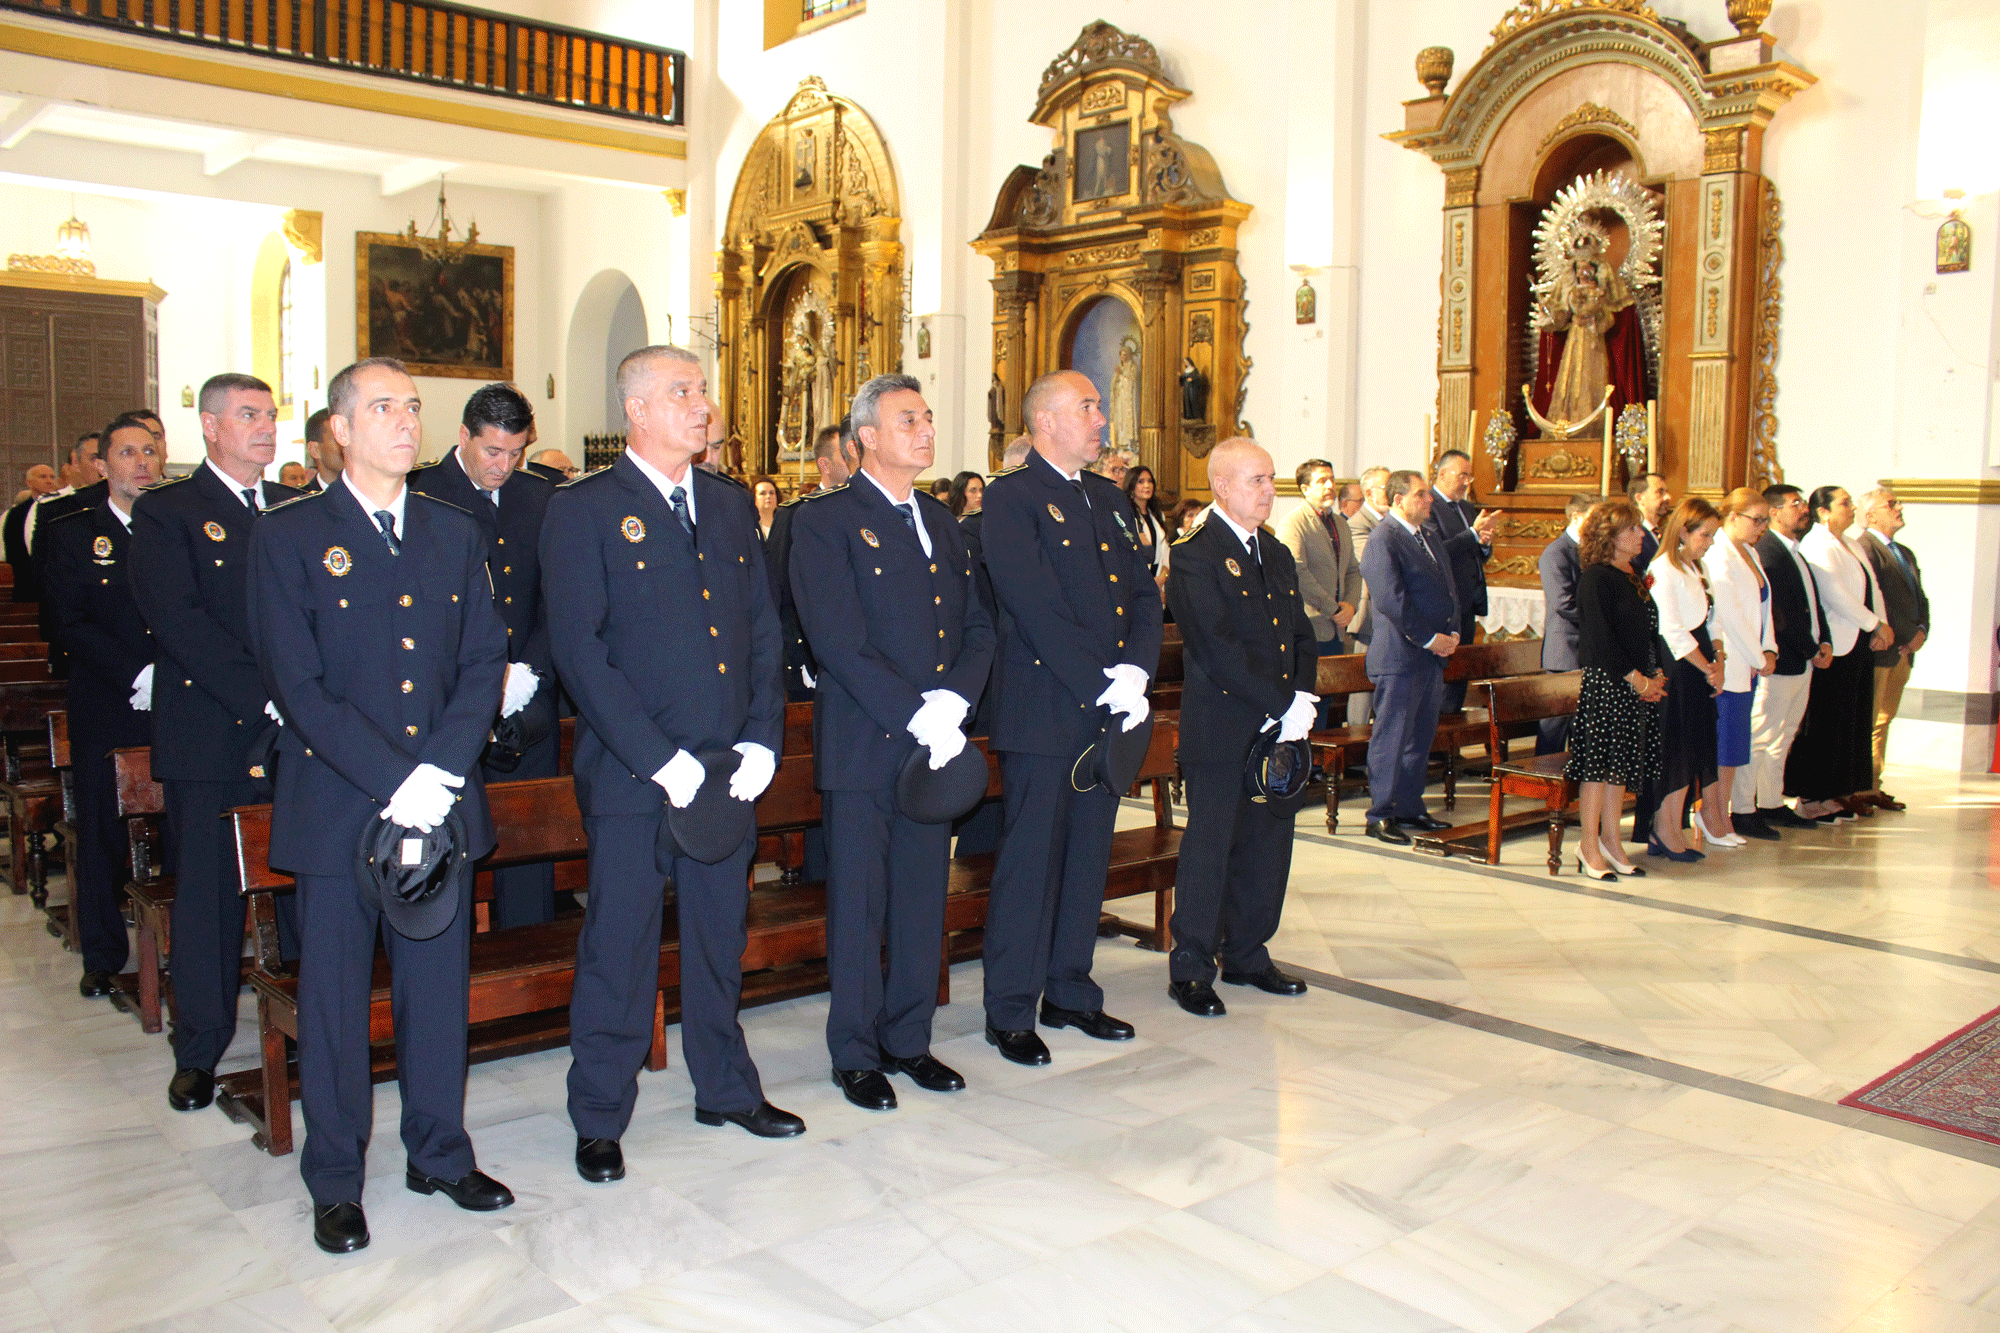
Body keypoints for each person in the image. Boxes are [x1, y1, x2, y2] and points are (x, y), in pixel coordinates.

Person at [250, 356, 515, 1255]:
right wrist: (392, 777)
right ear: (340, 428)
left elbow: (485, 659)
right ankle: (334, 1177)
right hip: (339, 810)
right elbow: (300, 680)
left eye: (412, 406)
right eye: (383, 408)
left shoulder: (453, 529)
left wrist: (438, 771)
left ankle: (438, 1149)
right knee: (331, 1004)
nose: (405, 421)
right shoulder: (289, 536)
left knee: (437, 994)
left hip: (438, 803)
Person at [543, 344, 802, 1179]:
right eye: (682, 392)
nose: (703, 405)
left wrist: (764, 734)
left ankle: (724, 1085)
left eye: (702, 390)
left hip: (725, 767)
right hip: (632, 774)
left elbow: (763, 626)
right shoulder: (585, 508)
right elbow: (581, 652)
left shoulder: (726, 505)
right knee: (618, 943)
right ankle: (600, 1113)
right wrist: (660, 759)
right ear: (638, 411)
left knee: (720, 935)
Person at [790, 374, 994, 1109]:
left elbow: (977, 626)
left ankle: (909, 1038)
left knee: (919, 898)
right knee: (861, 904)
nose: (926, 428)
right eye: (909, 418)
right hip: (868, 742)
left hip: (934, 741)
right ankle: (855, 1050)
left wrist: (956, 701)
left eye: (929, 416)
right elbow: (838, 640)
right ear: (866, 437)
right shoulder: (826, 521)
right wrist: (918, 713)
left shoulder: (940, 520)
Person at [129, 373, 306, 1115]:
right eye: (247, 415)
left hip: (294, 734)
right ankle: (199, 1049)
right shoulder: (171, 512)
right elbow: (180, 622)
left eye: (270, 415)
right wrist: (267, 694)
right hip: (211, 735)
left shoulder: (296, 511)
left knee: (302, 884)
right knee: (209, 900)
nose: (264, 427)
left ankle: (304, 1028)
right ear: (208, 426)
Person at [979, 369, 1160, 1065]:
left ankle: (1071, 987)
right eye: (1087, 406)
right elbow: (1032, 605)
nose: (1101, 417)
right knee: (1031, 862)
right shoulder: (1013, 499)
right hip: (1047, 707)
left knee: (1087, 856)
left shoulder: (1110, 500)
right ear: (1046, 421)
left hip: (1109, 707)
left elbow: (1143, 593)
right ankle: (1012, 1006)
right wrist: (1099, 682)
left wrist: (1137, 672)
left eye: (1099, 405)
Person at [1162, 437, 1317, 1017]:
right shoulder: (1197, 552)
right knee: (1212, 845)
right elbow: (1217, 647)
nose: (1269, 491)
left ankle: (1249, 953)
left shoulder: (1273, 552)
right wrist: (1282, 702)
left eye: (1272, 479)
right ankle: (1193, 967)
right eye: (1257, 480)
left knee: (1267, 842)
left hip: (1279, 724)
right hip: (1226, 726)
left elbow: (1300, 632)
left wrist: (1301, 696)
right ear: (1223, 486)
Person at [407, 382, 558, 929]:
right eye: (493, 451)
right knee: (456, 841)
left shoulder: (538, 495)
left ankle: (528, 959)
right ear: (464, 436)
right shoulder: (421, 495)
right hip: (455, 700)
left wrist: (529, 670)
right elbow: (419, 614)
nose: (504, 465)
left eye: (516, 452)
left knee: (530, 841)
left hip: (530, 698)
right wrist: (490, 678)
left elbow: (556, 597)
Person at [43, 417, 161, 998]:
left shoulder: (173, 525)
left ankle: (178, 949)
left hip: (175, 699)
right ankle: (103, 953)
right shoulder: (71, 532)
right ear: (103, 464)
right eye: (126, 453)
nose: (140, 462)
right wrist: (136, 672)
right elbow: (69, 623)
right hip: (107, 701)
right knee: (101, 832)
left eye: (149, 451)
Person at [1357, 469, 1459, 845]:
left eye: (1428, 495)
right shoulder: (1383, 539)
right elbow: (1390, 599)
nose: (1429, 500)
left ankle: (1410, 806)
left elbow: (1450, 589)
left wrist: (1453, 631)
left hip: (1430, 656)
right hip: (1400, 656)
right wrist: (1430, 637)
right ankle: (1380, 813)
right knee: (1392, 736)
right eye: (1420, 495)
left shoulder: (1428, 536)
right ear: (1398, 500)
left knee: (1419, 736)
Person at [1567, 500, 1666, 879]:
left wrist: (1653, 677)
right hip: (1609, 683)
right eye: (1631, 530)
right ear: (1608, 536)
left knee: (1620, 767)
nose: (1641, 534)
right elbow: (1600, 640)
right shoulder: (1596, 577)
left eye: (1639, 528)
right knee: (1598, 767)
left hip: (1635, 683)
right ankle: (1588, 843)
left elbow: (1646, 631)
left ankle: (1612, 840)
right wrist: (1638, 678)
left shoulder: (1632, 572)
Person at [1789, 486, 1890, 821]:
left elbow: (1872, 586)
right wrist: (1873, 623)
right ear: (1823, 512)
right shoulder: (1817, 543)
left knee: (1852, 722)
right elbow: (1835, 594)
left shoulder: (1849, 543)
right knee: (1826, 722)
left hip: (1857, 640)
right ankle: (1811, 794)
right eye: (1844, 503)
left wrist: (1882, 625)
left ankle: (1837, 791)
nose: (1851, 507)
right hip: (1835, 642)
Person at [1646, 497, 1729, 858]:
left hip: (1701, 666)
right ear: (1684, 531)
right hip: (1679, 668)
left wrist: (1720, 658)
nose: (1709, 543)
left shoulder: (1698, 569)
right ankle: (1663, 829)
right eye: (1705, 535)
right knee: (1675, 749)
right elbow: (1672, 629)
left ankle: (1673, 826)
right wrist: (1706, 666)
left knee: (1695, 746)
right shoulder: (1662, 569)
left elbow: (1714, 619)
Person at [1750, 485, 1831, 830]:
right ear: (1774, 512)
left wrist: (1824, 639)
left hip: (1803, 659)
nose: (1804, 509)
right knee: (1763, 736)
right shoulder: (1769, 551)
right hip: (1782, 659)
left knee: (1785, 735)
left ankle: (1771, 800)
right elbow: (1780, 614)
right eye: (1795, 503)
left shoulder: (1795, 551)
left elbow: (1812, 605)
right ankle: (1745, 806)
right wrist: (1811, 648)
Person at [765, 422, 859, 700]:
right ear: (825, 464)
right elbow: (780, 593)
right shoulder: (796, 514)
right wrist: (801, 655)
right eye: (845, 454)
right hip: (810, 657)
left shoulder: (863, 511)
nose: (854, 458)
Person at [1706, 489, 1779, 840]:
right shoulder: (1718, 554)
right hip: (1732, 662)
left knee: (1736, 747)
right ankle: (1714, 816)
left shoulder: (1749, 551)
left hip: (1750, 663)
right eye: (1756, 519)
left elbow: (1764, 608)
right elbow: (1730, 614)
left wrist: (1770, 649)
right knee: (1724, 746)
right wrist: (1757, 655)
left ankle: (1724, 816)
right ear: (1732, 517)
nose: (1762, 527)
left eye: (1766, 519)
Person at [1857, 487, 1926, 811]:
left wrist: (1921, 630)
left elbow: (1919, 598)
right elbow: (1877, 598)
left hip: (1903, 651)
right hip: (1882, 649)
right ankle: (1859, 788)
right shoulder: (1865, 548)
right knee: (1868, 721)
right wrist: (1904, 634)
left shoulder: (1904, 552)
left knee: (1884, 721)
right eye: (1891, 504)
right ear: (1870, 515)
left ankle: (1874, 785)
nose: (1899, 507)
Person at [1422, 449, 1497, 711]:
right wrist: (1472, 534)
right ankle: (1439, 745)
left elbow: (1475, 553)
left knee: (1461, 673)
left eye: (1470, 476)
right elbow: (1437, 551)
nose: (1467, 481)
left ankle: (1451, 743)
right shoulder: (1429, 506)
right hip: (1444, 604)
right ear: (1443, 474)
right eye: (1462, 475)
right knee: (1443, 675)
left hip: (1468, 603)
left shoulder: (1466, 507)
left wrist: (1484, 542)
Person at [1276, 458, 1361, 661]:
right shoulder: (1293, 523)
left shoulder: (1340, 523)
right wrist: (1333, 609)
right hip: (1308, 627)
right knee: (1311, 690)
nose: (1331, 486)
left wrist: (1350, 605)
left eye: (1332, 479)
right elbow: (1296, 571)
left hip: (1339, 627)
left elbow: (1353, 570)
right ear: (1305, 489)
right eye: (1322, 481)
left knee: (1336, 689)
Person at [1534, 494, 1595, 754]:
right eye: (1595, 518)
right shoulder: (1557, 553)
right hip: (1565, 650)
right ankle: (1541, 782)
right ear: (1576, 517)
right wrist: (1601, 621)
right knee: (1555, 724)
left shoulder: (1592, 550)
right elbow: (1563, 603)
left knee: (1582, 724)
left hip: (1587, 649)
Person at [4, 463, 60, 603]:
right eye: (43, 477)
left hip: (57, 582)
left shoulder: (62, 508)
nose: (49, 481)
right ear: (29, 482)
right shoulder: (16, 514)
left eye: (52, 477)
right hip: (28, 583)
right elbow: (14, 551)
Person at [1123, 464, 1171, 589]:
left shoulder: (1157, 514)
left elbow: (1166, 551)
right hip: (1137, 583)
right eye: (1141, 482)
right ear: (1131, 485)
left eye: (1150, 481)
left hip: (1159, 579)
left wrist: (1162, 579)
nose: (1147, 485)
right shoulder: (1126, 514)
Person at [1628, 472, 1672, 569]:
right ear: (1639, 498)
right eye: (1660, 492)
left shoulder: (1662, 534)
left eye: (1666, 492)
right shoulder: (1631, 535)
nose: (1668, 497)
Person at [302, 408, 339, 493]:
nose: (347, 444)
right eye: (337, 438)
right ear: (315, 450)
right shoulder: (302, 502)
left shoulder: (370, 495)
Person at [751, 474, 782, 542]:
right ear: (754, 498)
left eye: (771, 493)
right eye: (762, 493)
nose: (768, 496)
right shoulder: (750, 526)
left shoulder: (784, 525)